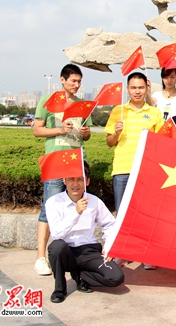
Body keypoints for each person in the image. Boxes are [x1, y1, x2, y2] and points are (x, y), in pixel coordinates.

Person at [32, 64, 92, 276]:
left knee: (76, 206)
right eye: (73, 81)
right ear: (62, 80)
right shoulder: (47, 101)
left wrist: (85, 132)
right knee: (49, 208)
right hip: (55, 161)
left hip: (76, 162)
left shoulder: (82, 105)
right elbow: (37, 130)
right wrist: (59, 129)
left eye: (79, 81)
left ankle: (70, 253)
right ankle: (40, 257)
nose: (76, 85)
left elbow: (87, 136)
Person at [46, 162, 124, 303]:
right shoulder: (53, 202)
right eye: (71, 179)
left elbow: (110, 224)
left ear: (87, 181)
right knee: (56, 247)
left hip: (89, 251)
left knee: (116, 277)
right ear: (64, 180)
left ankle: (80, 276)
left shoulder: (94, 201)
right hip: (67, 252)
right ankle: (59, 289)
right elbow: (56, 234)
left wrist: (109, 247)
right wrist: (76, 212)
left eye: (80, 179)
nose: (75, 184)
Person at [105, 72, 164, 213]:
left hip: (146, 170)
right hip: (122, 169)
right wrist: (116, 133)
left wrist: (151, 137)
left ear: (147, 89)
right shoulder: (118, 111)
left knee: (145, 213)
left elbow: (161, 143)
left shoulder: (155, 112)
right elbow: (109, 142)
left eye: (141, 88)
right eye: (133, 88)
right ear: (127, 89)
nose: (137, 91)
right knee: (122, 213)